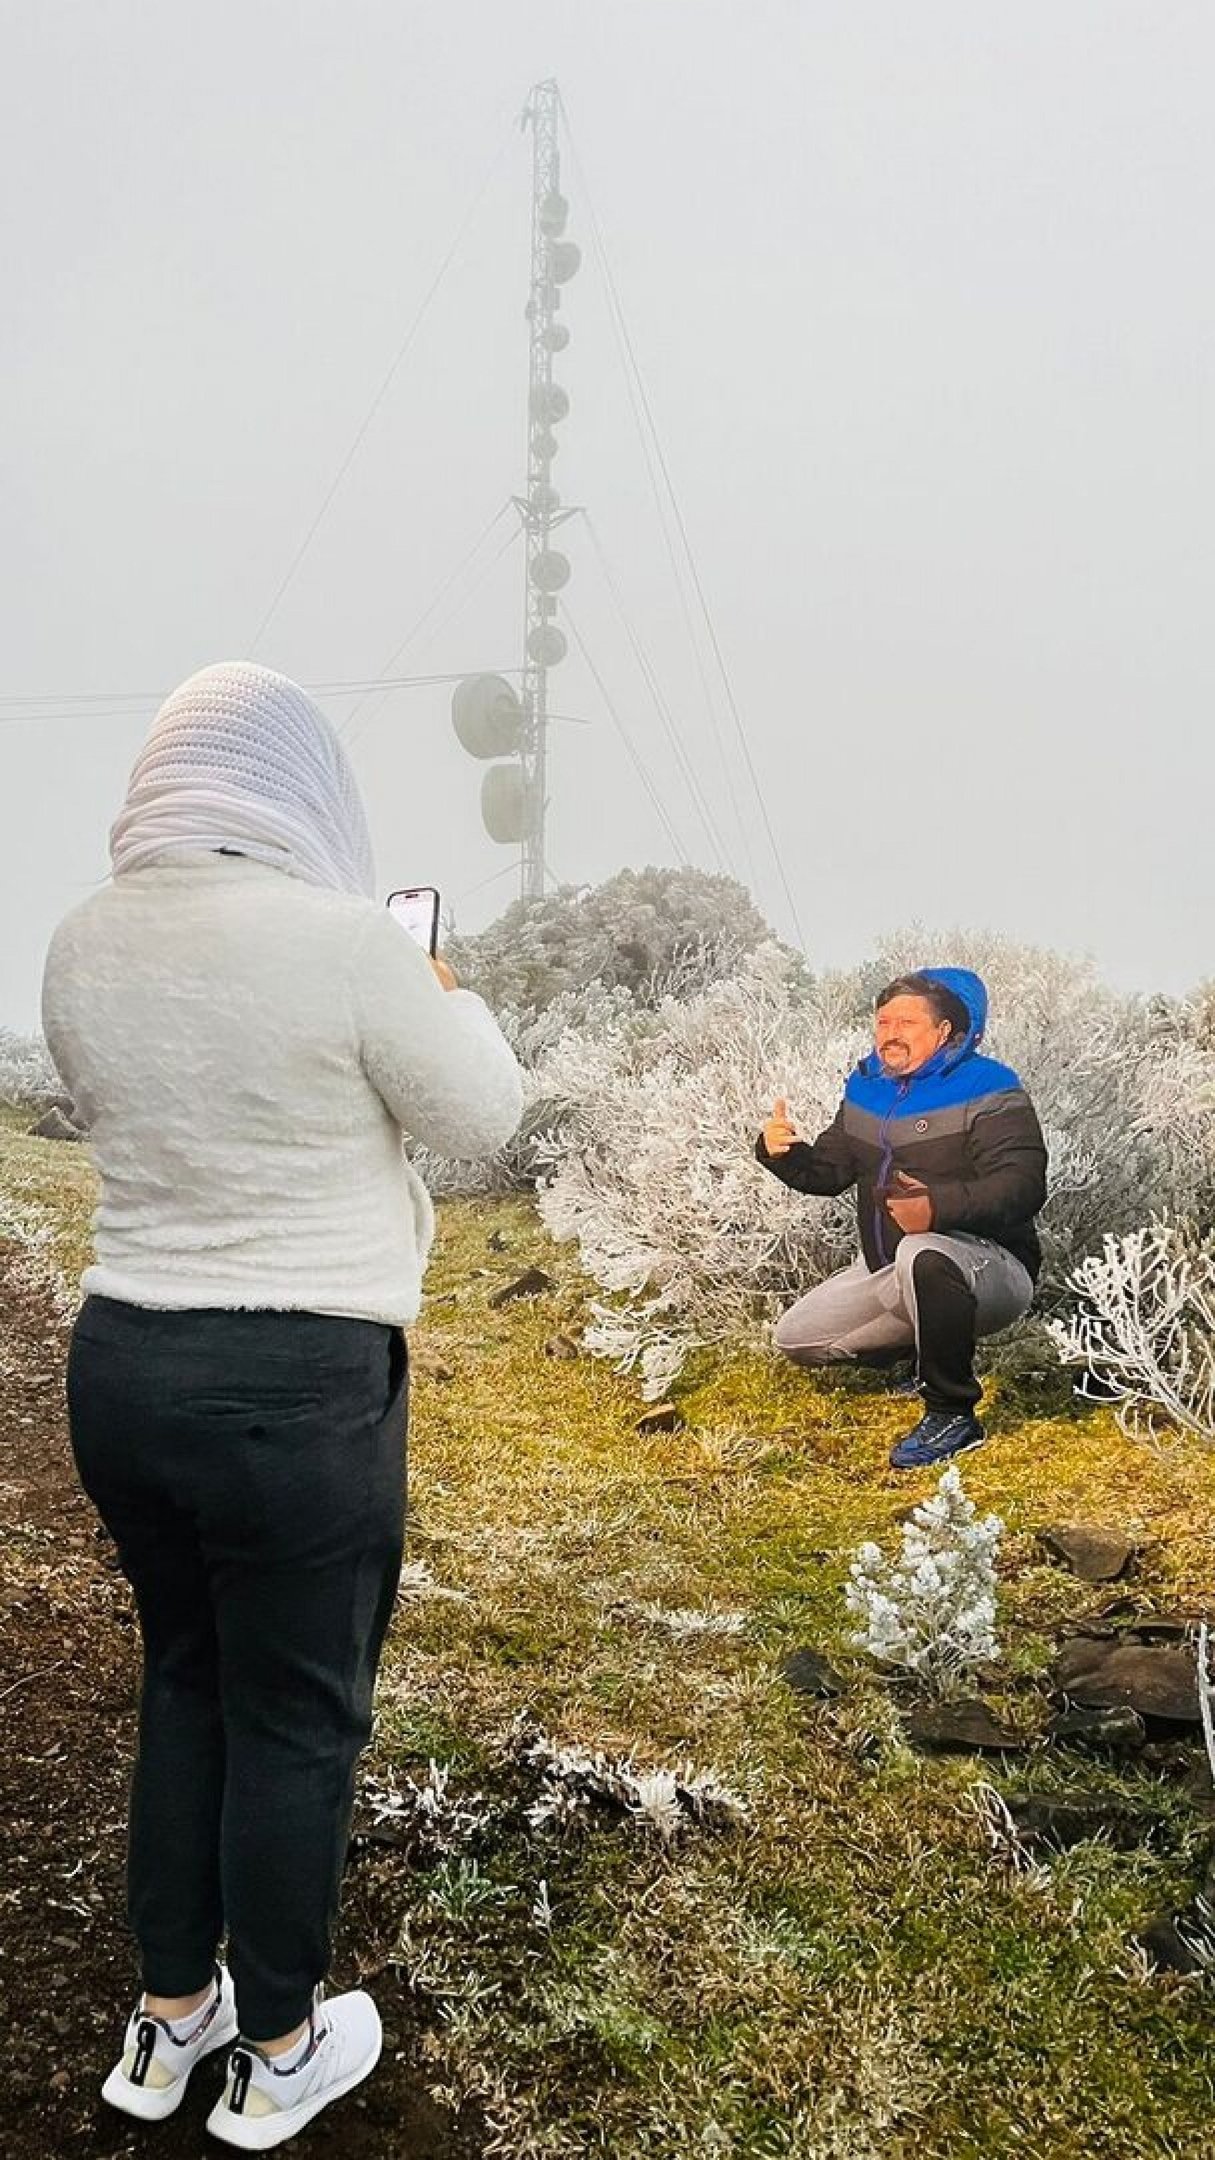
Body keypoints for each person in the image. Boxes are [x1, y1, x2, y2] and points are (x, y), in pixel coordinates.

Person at [40, 662, 523, 2148]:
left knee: (185, 1678)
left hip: (125, 1361)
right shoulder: (342, 944)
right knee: (298, 1717)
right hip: (299, 1381)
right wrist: (435, 985)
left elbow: (113, 1106)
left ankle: (168, 2023)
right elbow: (485, 1122)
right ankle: (280, 2046)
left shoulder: (79, 940)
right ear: (301, 785)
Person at [755, 969, 1048, 1470]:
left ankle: (952, 1412)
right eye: (883, 1021)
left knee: (923, 1249)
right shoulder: (869, 1086)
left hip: (992, 1271)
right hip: (890, 1267)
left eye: (907, 1022)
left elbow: (1022, 1187)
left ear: (947, 1032)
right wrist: (781, 1152)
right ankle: (923, 1352)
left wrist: (937, 1207)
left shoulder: (991, 1089)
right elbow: (830, 1172)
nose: (889, 1032)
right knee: (796, 1337)